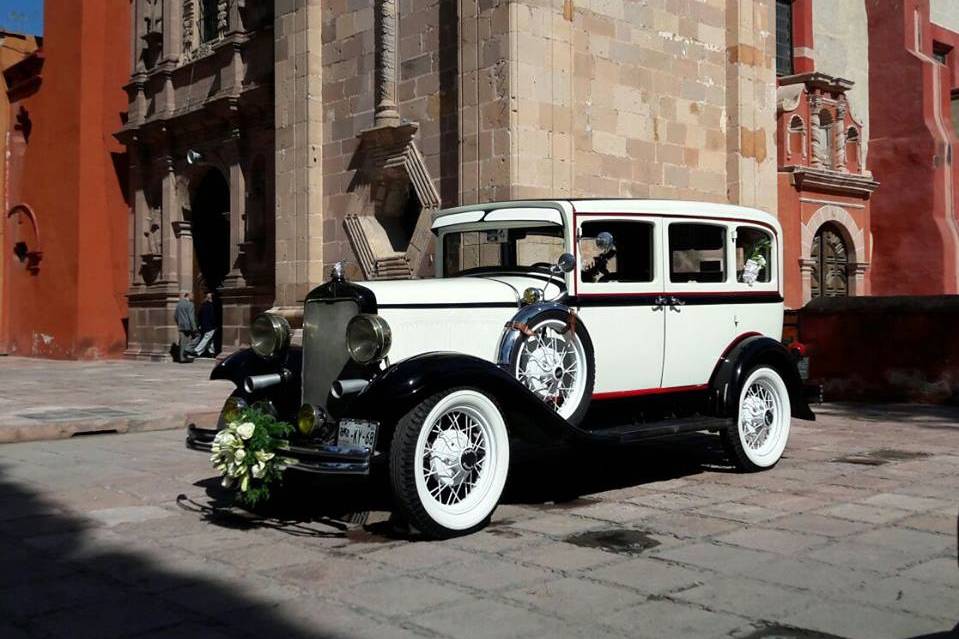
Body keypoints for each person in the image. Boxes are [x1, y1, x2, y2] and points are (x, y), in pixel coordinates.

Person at [174, 291, 198, 363]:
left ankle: (182, 358)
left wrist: (179, 323)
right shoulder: (190, 304)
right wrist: (194, 327)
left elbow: (175, 316)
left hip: (181, 325)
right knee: (195, 338)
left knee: (182, 342)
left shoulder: (179, 304)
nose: (193, 297)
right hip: (188, 326)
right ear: (188, 296)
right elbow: (191, 317)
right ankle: (187, 351)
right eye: (192, 296)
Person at [192, 292, 217, 357]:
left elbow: (199, 316)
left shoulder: (203, 305)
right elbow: (212, 317)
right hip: (210, 326)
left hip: (204, 325)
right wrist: (215, 325)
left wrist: (199, 324)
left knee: (210, 339)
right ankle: (197, 350)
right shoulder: (212, 306)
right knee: (207, 338)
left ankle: (212, 351)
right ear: (211, 298)